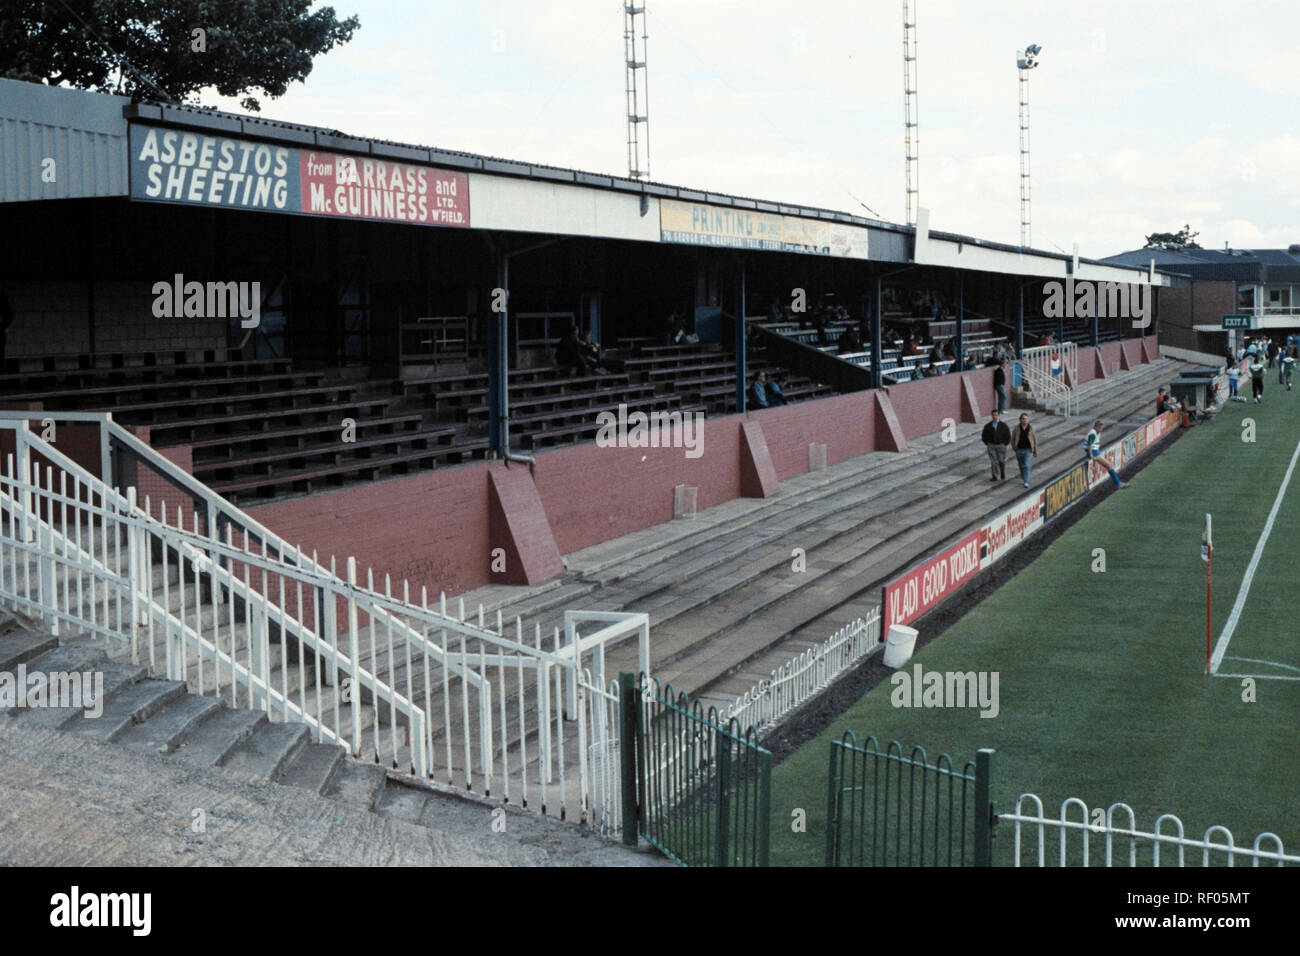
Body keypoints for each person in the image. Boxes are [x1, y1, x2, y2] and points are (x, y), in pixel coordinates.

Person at [1084, 420, 1127, 488]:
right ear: (1096, 427)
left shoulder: (1096, 432)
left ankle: (1118, 483)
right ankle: (1118, 484)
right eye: (1100, 428)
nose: (1101, 430)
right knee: (1109, 465)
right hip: (1094, 452)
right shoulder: (1092, 433)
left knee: (1109, 465)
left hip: (1095, 451)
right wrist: (1091, 455)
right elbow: (1090, 445)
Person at [981, 409, 1011, 482]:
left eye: (996, 415)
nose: (995, 417)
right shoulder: (988, 426)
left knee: (1001, 461)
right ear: (991, 416)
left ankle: (1002, 472)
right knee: (993, 461)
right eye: (993, 415)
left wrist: (1004, 444)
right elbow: (984, 435)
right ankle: (995, 476)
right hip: (991, 445)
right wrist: (987, 443)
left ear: (999, 416)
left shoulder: (1004, 425)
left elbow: (1008, 436)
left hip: (1001, 445)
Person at [1013, 413, 1037, 487]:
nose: (1025, 420)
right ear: (1020, 420)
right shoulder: (1016, 428)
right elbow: (1013, 439)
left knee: (1026, 465)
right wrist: (1015, 448)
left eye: (1026, 418)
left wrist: (1035, 450)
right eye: (1023, 418)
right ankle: (1024, 477)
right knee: (1021, 465)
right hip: (1019, 450)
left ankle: (1026, 481)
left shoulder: (1031, 428)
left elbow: (1034, 439)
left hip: (1028, 450)